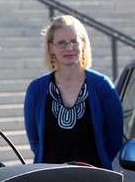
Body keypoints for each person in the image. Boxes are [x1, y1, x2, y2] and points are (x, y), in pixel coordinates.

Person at [24, 15, 123, 169]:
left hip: (95, 181)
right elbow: (36, 142)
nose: (69, 48)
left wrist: (96, 168)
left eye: (74, 41)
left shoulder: (102, 86)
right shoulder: (36, 90)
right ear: (51, 47)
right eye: (61, 43)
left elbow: (115, 139)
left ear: (83, 44)